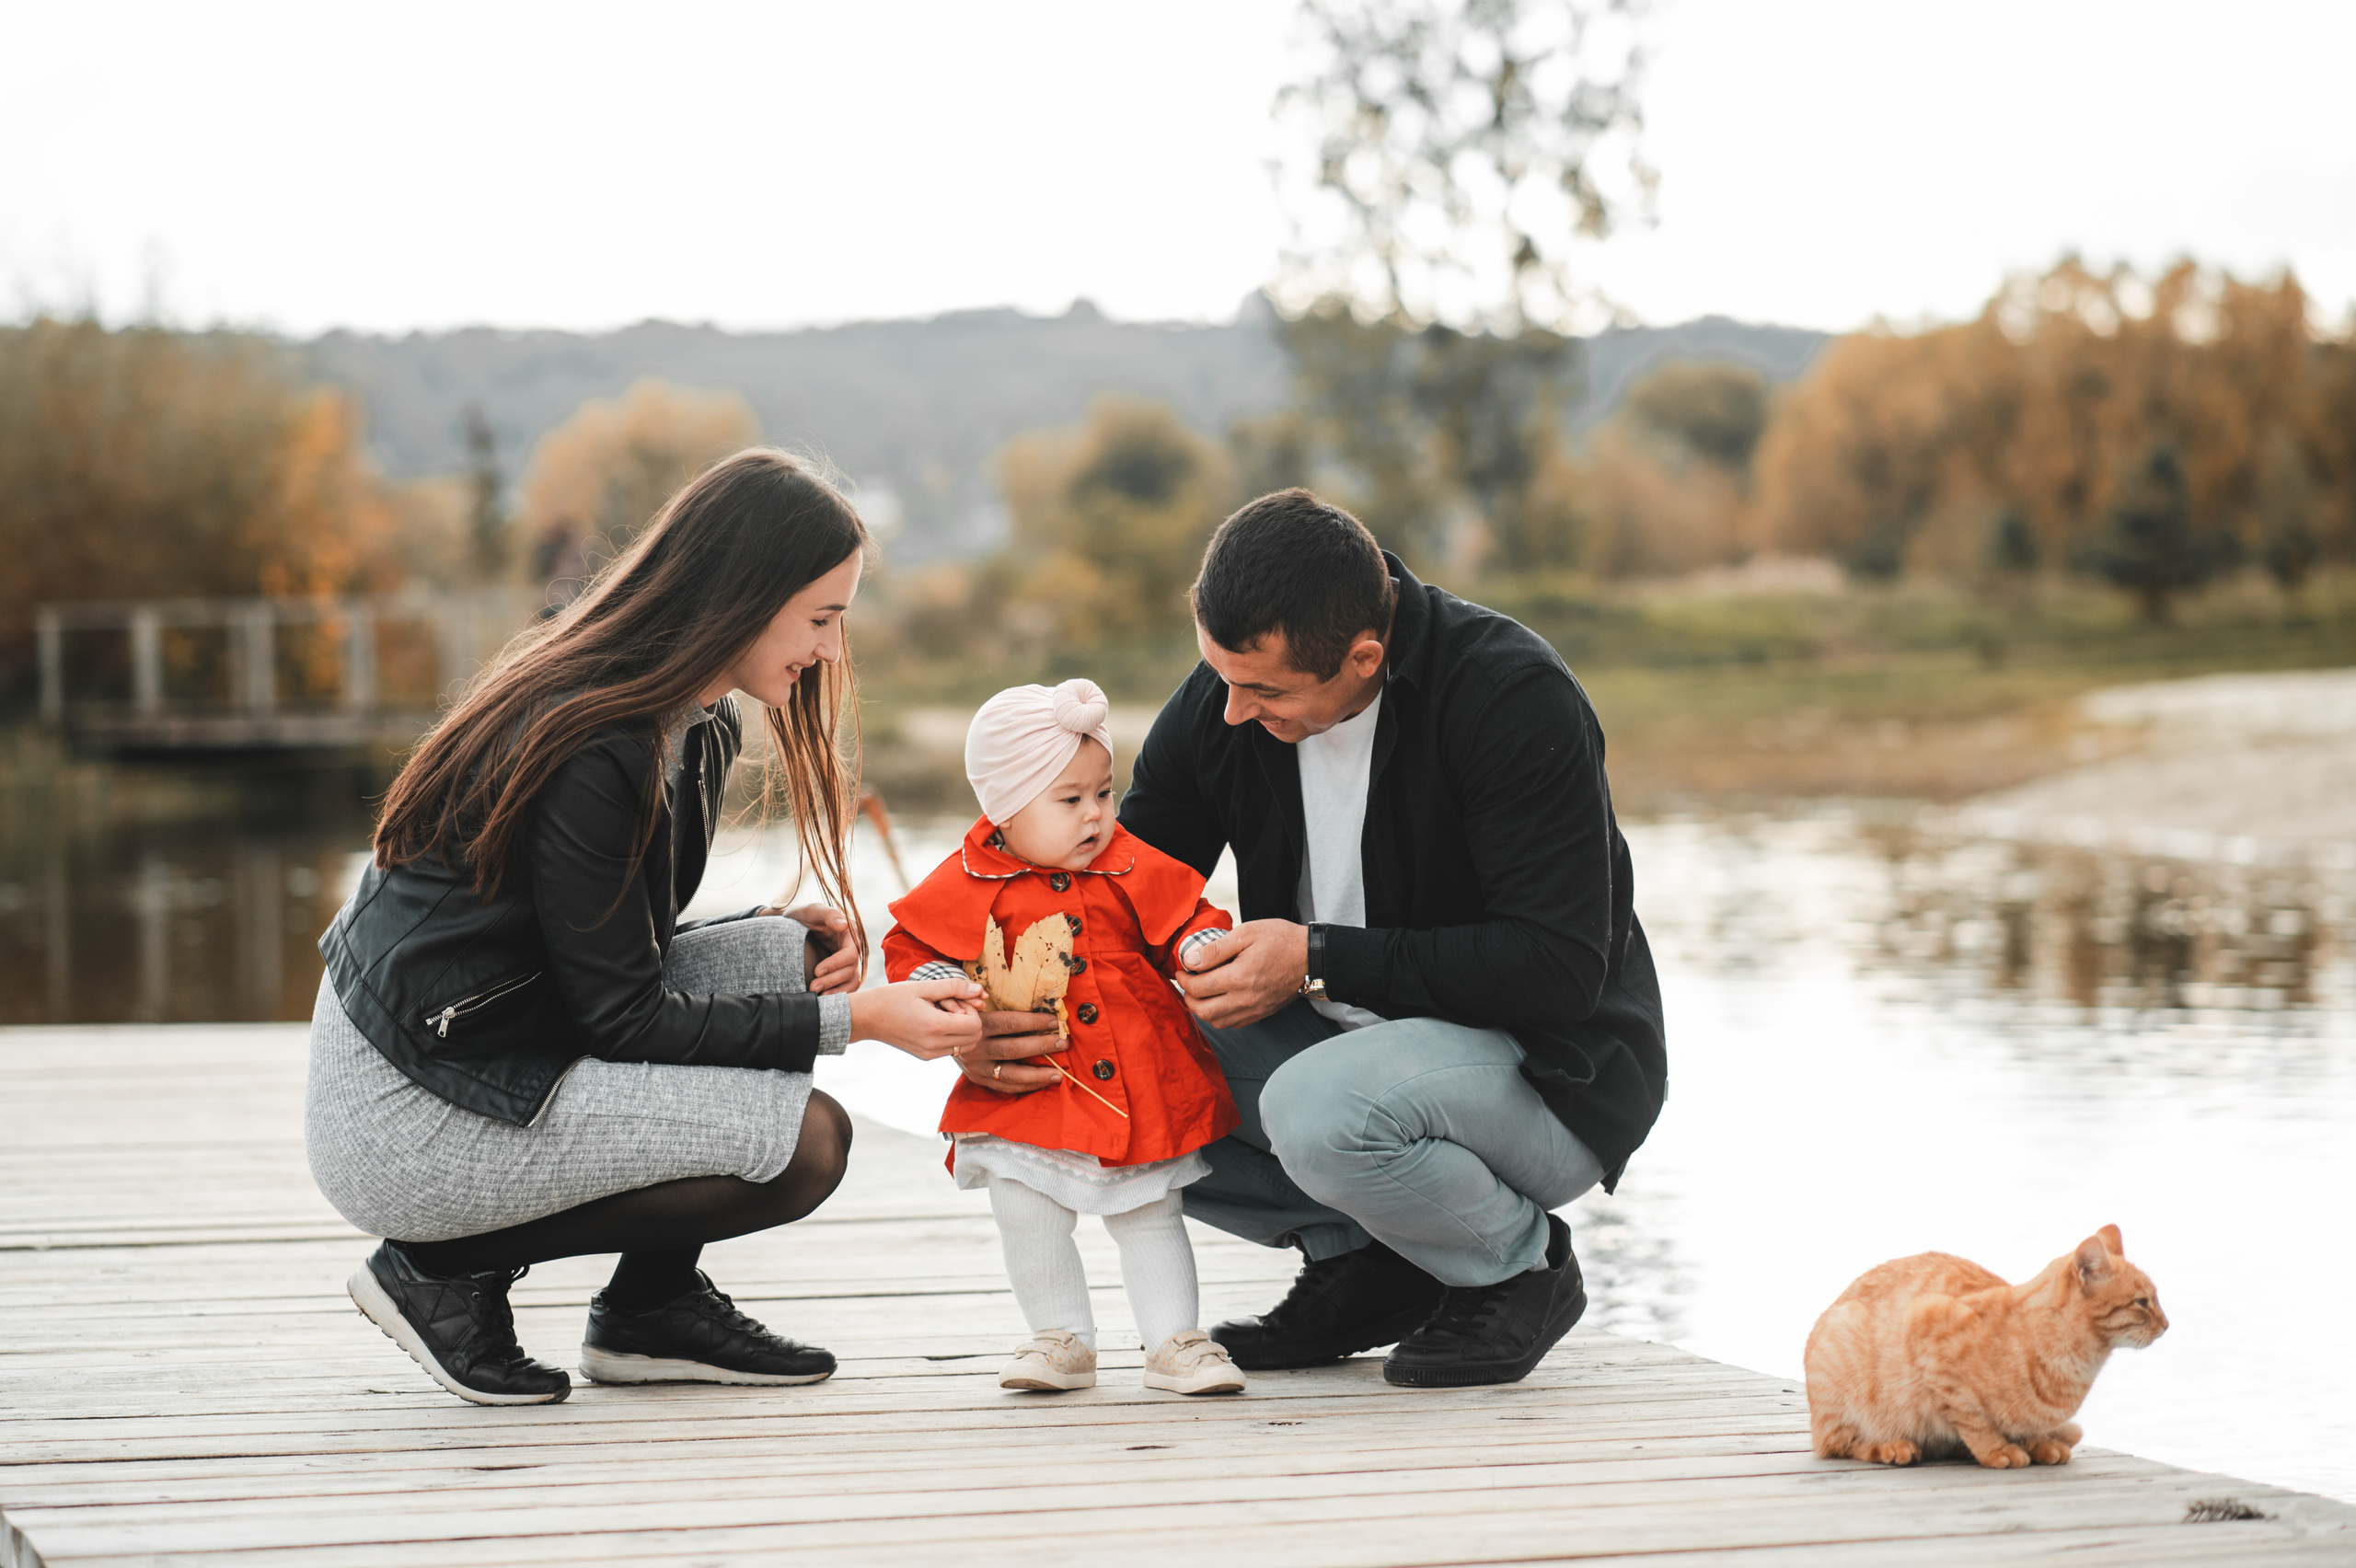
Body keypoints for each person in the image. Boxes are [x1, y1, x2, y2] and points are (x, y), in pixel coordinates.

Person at [305, 449, 987, 1406]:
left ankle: (648, 1310)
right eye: (822, 619)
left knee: (793, 959)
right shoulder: (596, 739)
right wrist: (863, 1023)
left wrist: (775, 938)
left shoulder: (690, 716)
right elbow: (622, 1021)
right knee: (804, 1144)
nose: (833, 650)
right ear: (745, 599)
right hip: (410, 1107)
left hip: (494, 1041)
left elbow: (610, 947)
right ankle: (435, 1272)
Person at [1106, 488, 1668, 1388]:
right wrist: (1009, 980)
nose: (1231, 713)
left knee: (1318, 1108)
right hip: (1342, 1054)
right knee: (1095, 1053)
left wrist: (1315, 960)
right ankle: (1366, 1264)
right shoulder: (1233, 693)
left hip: (1549, 1075)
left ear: (1364, 658)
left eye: (1263, 691)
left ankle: (1520, 1270)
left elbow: (1555, 970)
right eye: (1219, 677)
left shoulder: (1507, 693)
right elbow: (1123, 891)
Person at [882, 678, 1247, 1397]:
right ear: (1005, 808)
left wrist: (1202, 947)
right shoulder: (968, 875)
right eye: (1070, 800)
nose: (1096, 816)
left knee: (1150, 1209)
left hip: (1135, 1070)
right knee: (1026, 1205)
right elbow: (912, 944)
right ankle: (1061, 1337)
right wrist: (935, 978)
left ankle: (1174, 1339)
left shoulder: (1128, 861)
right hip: (1032, 1078)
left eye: (1103, 794)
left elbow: (1186, 917)